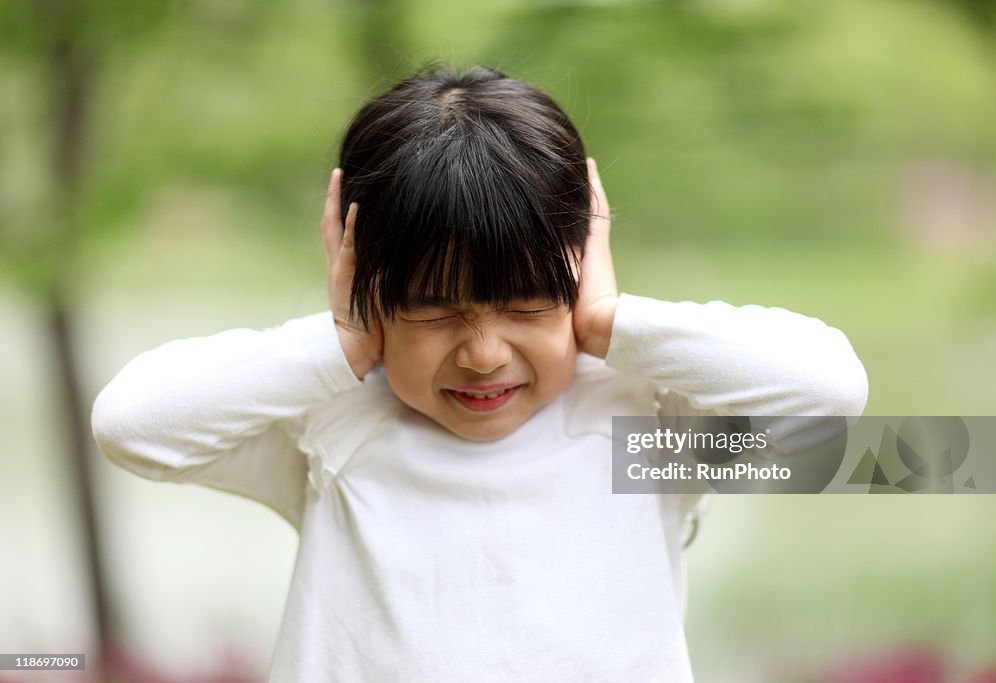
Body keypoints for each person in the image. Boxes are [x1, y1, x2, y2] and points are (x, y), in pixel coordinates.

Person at [91, 64, 869, 682]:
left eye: (528, 304)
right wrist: (343, 345)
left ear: (580, 264)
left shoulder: (646, 423)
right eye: (433, 311)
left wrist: (608, 320)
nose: (483, 352)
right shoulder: (335, 421)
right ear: (366, 285)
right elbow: (132, 425)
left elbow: (831, 389)